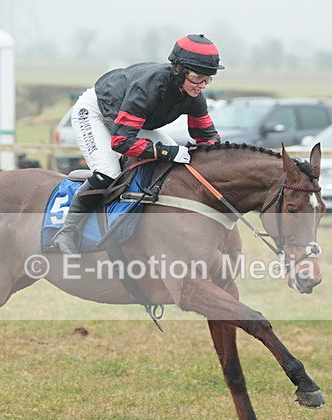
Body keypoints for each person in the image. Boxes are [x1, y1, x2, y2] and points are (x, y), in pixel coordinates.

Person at [52, 34, 223, 255]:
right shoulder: (148, 87)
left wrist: (215, 155)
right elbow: (121, 141)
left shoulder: (194, 95)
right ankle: (67, 230)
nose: (202, 85)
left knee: (178, 166)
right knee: (108, 172)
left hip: (127, 120)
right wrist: (167, 151)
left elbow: (207, 136)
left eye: (207, 79)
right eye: (196, 76)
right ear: (178, 69)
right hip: (95, 112)